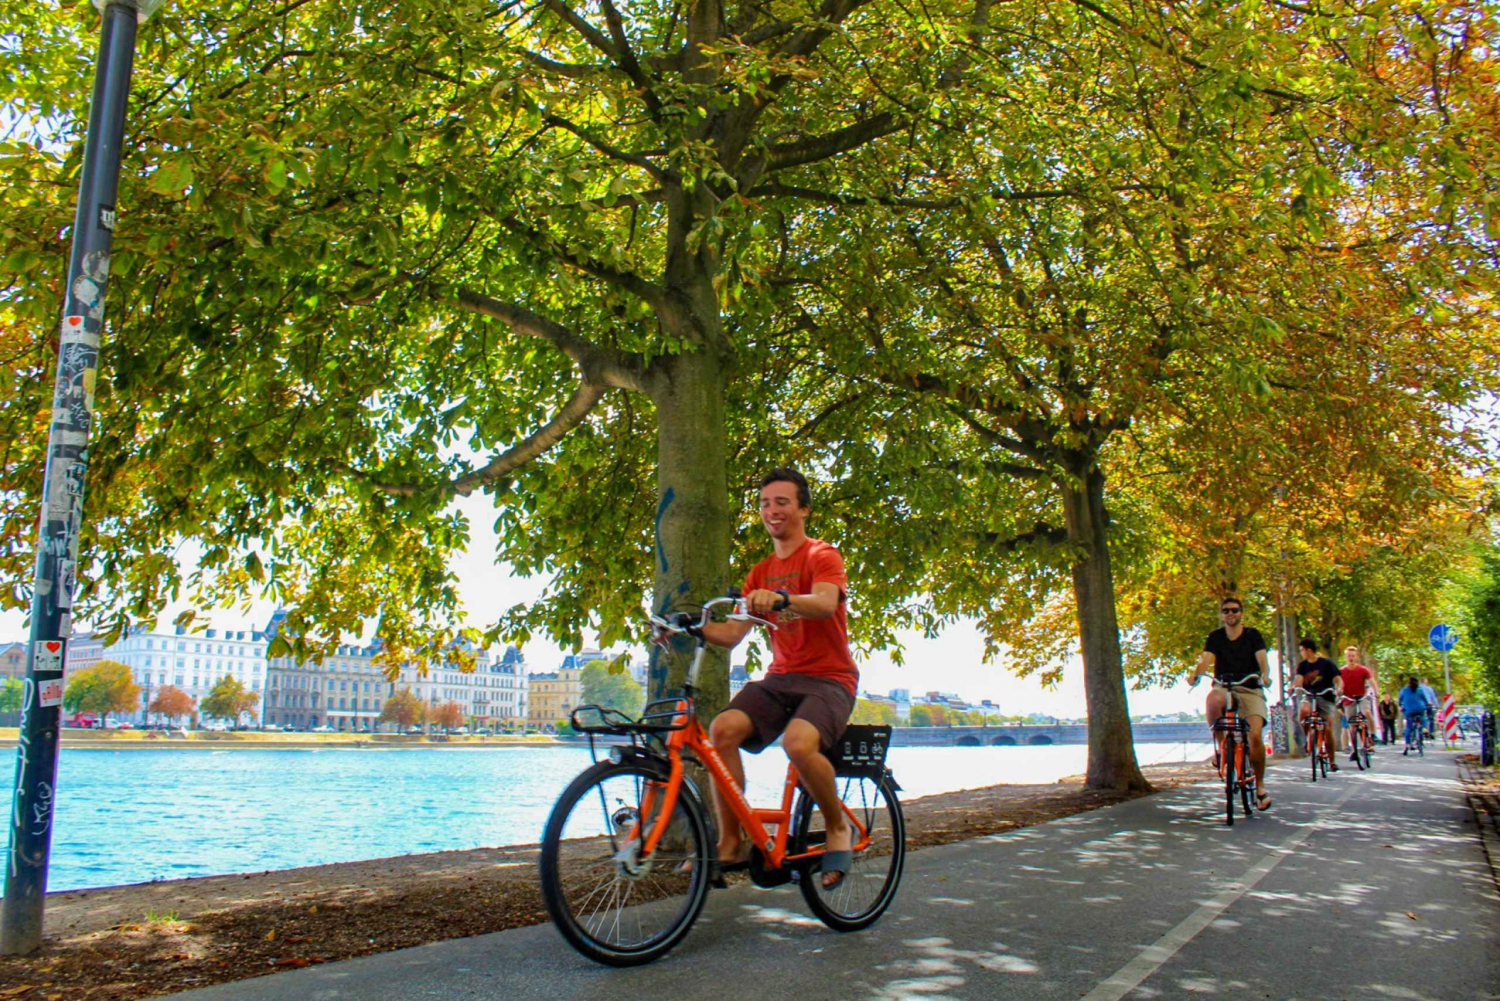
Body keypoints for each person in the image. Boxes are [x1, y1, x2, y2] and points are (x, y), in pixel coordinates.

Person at [692, 467, 858, 890]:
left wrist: (782, 599)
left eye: (782, 502)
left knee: (798, 744)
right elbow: (732, 635)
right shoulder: (760, 572)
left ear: (803, 509)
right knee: (722, 730)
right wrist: (691, 628)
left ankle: (837, 826)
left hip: (829, 679)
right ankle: (732, 842)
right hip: (780, 679)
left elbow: (825, 603)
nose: (772, 510)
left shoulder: (822, 555)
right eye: (765, 503)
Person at [1190, 598, 1273, 810]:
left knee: (1255, 736)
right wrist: (1196, 675)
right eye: (1226, 610)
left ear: (1241, 614)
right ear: (1221, 615)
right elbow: (1205, 660)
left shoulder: (1253, 635)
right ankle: (1222, 749)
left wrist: (1265, 675)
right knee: (1212, 701)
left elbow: (1262, 659)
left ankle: (1260, 787)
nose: (1230, 614)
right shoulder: (1215, 637)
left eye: (1234, 610)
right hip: (1224, 686)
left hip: (1250, 687)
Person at [1294, 638, 1343, 770]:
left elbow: (1338, 679)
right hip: (1309, 696)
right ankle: (1306, 738)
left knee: (1327, 729)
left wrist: (1339, 688)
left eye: (1302, 650)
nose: (1301, 653)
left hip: (1326, 697)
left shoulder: (1326, 664)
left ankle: (1332, 761)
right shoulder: (1302, 666)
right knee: (1304, 711)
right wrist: (1295, 687)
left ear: (1309, 650)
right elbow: (1298, 680)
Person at [1339, 646, 1379, 758]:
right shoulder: (1341, 671)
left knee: (1367, 712)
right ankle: (1354, 750)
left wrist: (1376, 691)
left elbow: (1372, 681)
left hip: (1362, 697)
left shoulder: (1363, 670)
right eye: (1348, 656)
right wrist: (1338, 691)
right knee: (1351, 725)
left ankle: (1372, 734)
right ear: (1346, 657)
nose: (1351, 658)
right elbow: (1338, 684)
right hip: (1348, 699)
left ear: (1357, 657)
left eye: (1353, 656)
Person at [1399, 677, 1429, 754]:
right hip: (1420, 709)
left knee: (1408, 727)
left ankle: (1407, 744)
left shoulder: (1404, 690)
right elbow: (1425, 699)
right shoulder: (1420, 689)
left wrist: (1401, 705)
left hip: (1409, 711)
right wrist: (1427, 704)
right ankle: (1424, 728)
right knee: (1423, 719)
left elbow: (1400, 699)